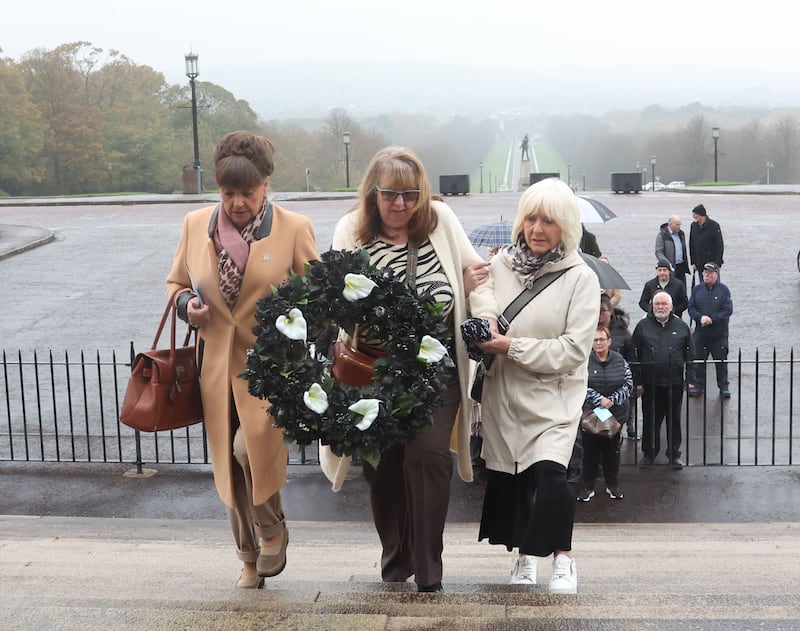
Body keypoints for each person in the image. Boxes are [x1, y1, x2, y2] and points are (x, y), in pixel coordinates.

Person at [321, 146, 486, 593]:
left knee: (428, 455)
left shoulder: (441, 221)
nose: (400, 204)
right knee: (384, 468)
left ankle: (429, 569)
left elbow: (478, 273)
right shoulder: (351, 231)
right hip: (374, 371)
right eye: (390, 195)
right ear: (372, 194)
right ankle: (397, 555)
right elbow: (337, 300)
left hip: (437, 369)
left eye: (410, 195)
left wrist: (474, 303)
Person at [166, 131, 318, 588]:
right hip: (214, 367)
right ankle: (248, 559)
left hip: (270, 367)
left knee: (247, 449)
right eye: (228, 193)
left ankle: (273, 532)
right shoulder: (195, 224)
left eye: (247, 193)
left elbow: (318, 296)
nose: (237, 203)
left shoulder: (293, 227)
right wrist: (186, 305)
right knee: (228, 466)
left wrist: (299, 322)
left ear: (266, 184)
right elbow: (175, 284)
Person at [470, 177, 599, 594]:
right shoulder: (499, 264)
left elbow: (573, 350)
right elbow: (485, 301)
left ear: (566, 227)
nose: (537, 229)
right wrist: (485, 317)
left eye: (549, 221)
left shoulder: (581, 278)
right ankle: (525, 556)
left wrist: (509, 346)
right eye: (531, 218)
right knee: (518, 479)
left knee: (550, 477)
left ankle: (564, 559)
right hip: (505, 396)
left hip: (553, 398)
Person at [631, 291, 694, 469]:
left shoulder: (682, 326)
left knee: (674, 420)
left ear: (671, 307)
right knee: (650, 420)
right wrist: (638, 381)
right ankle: (649, 453)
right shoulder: (643, 326)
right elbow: (634, 354)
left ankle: (674, 454)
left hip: (674, 383)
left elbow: (691, 355)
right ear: (652, 306)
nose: (660, 307)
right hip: (650, 384)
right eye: (657, 304)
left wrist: (689, 379)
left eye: (664, 304)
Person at [577, 325, 633, 502]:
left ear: (609, 341)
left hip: (614, 415)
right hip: (591, 415)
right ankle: (588, 487)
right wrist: (598, 399)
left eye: (601, 339)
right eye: (595, 340)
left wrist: (613, 400)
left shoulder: (620, 360)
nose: (598, 343)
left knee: (612, 453)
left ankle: (612, 485)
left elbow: (629, 383)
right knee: (589, 454)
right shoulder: (584, 361)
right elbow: (579, 384)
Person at [687, 263, 733, 398]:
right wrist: (700, 317)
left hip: (719, 334)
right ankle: (698, 385)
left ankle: (724, 386)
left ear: (716, 275)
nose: (707, 275)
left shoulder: (724, 290)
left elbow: (727, 310)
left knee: (721, 362)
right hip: (701, 333)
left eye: (710, 273)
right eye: (705, 273)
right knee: (699, 360)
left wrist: (712, 319)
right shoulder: (697, 290)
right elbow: (691, 307)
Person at [689, 204, 724, 282]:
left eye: (695, 215)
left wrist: (717, 263)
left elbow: (719, 245)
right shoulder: (693, 226)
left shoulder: (714, 226)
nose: (693, 217)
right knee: (702, 285)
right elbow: (691, 244)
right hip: (700, 263)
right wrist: (693, 262)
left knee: (715, 284)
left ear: (701, 215)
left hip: (712, 263)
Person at [655, 215, 689, 291]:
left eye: (680, 224)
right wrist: (666, 263)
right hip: (670, 267)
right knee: (671, 289)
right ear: (670, 224)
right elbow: (658, 252)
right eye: (677, 224)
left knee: (682, 288)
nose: (679, 227)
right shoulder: (662, 235)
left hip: (681, 266)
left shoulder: (681, 234)